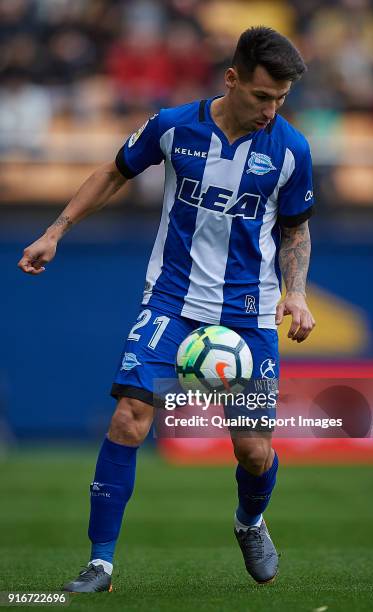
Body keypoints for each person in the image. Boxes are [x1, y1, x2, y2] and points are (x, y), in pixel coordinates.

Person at [18, 26, 315, 592]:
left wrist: (295, 291)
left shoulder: (291, 150)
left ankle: (250, 522)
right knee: (129, 419)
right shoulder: (174, 127)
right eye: (261, 96)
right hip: (171, 301)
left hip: (249, 315)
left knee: (254, 453)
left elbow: (296, 230)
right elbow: (113, 171)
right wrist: (56, 230)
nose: (270, 110)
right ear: (231, 80)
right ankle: (100, 563)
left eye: (281, 99)